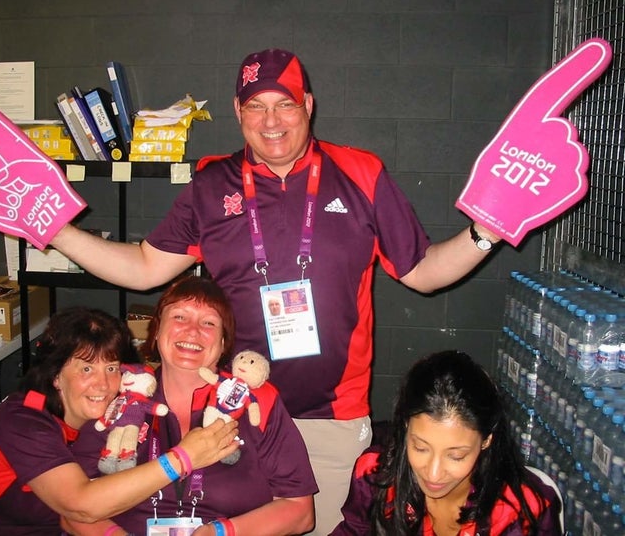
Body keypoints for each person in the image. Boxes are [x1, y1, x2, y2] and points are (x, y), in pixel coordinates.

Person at [43, 48, 505, 534]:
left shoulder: (360, 173)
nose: (271, 121)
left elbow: (422, 272)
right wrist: (57, 232)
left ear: (308, 104)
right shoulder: (212, 182)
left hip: (327, 419)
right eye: (255, 106)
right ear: (238, 112)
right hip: (229, 413)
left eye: (284, 104)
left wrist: (487, 232)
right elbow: (144, 267)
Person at [0, 306, 239, 536]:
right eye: (86, 369)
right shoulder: (22, 421)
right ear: (56, 376)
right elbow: (80, 504)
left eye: (111, 368)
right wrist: (184, 458)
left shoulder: (107, 418)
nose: (102, 384)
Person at [65, 275, 317, 536]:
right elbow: (72, 509)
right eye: (179, 317)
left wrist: (222, 532)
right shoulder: (121, 393)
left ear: (223, 343)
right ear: (157, 330)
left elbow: (299, 511)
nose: (193, 330)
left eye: (209, 322)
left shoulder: (258, 400)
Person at [330, 350, 562, 535]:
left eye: (456, 455)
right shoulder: (376, 475)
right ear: (405, 429)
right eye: (420, 448)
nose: (433, 473)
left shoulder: (522, 509)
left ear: (486, 440)